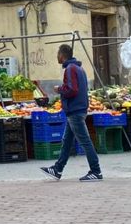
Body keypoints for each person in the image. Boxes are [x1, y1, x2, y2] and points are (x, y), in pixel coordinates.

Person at [40, 44, 102, 181]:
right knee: (67, 141)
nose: (57, 56)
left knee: (85, 141)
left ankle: (96, 171)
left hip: (75, 110)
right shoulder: (80, 68)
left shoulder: (70, 69)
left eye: (58, 53)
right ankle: (57, 169)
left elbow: (72, 89)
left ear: (62, 55)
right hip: (77, 109)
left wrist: (59, 89)